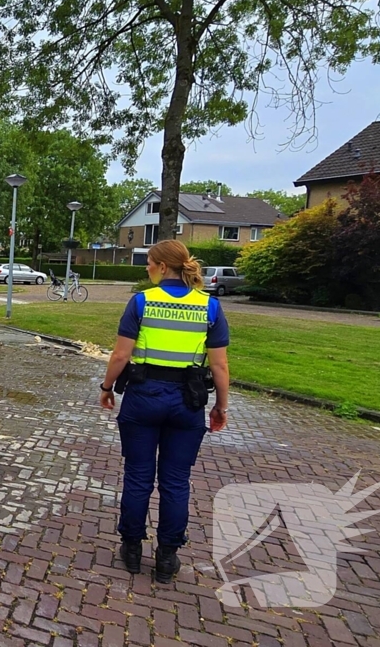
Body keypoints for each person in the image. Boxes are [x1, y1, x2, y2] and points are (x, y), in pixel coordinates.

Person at [98, 239, 230, 584]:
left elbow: (120, 356)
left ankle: (130, 549)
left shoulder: (142, 302)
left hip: (143, 398)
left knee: (138, 476)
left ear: (160, 266)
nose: (146, 268)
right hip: (187, 403)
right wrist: (220, 407)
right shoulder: (209, 306)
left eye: (149, 263)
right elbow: (220, 366)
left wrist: (107, 387)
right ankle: (167, 557)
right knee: (175, 481)